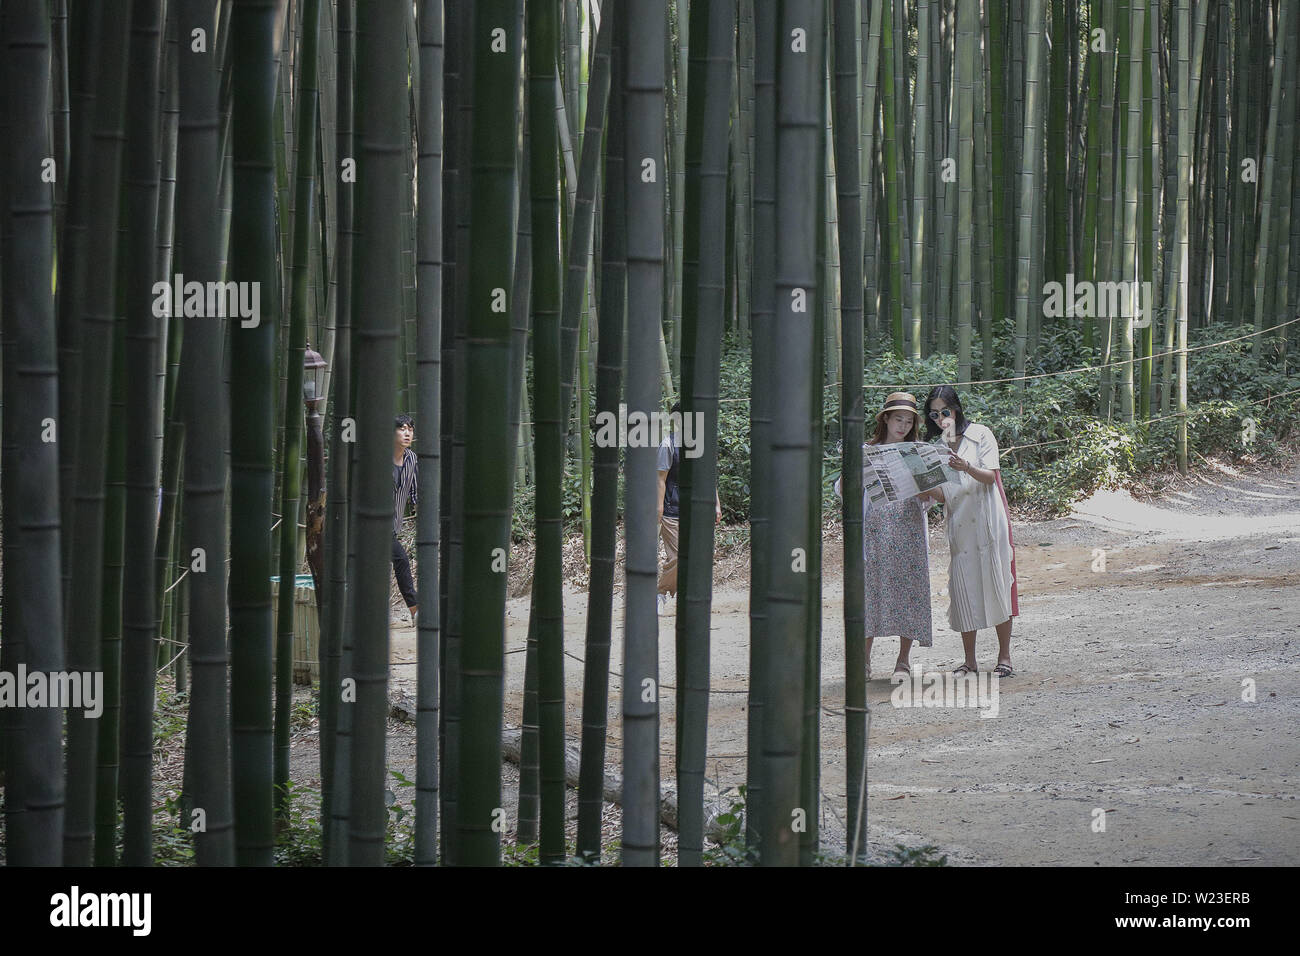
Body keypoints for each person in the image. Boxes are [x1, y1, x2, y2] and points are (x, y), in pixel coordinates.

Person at [834, 391, 934, 680]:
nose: (902, 426)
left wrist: (918, 484)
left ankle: (903, 659)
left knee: (910, 589)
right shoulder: (866, 449)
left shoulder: (916, 453)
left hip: (908, 526)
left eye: (908, 421)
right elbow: (844, 489)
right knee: (871, 590)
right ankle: (863, 660)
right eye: (898, 419)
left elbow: (937, 494)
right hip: (875, 527)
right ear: (886, 419)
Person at [921, 385, 1018, 677]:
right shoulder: (939, 447)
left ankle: (1004, 657)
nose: (941, 418)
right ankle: (970, 661)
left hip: (988, 518)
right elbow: (942, 495)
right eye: (934, 414)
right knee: (963, 588)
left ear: (957, 408)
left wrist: (966, 466)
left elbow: (990, 477)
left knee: (997, 581)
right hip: (959, 523)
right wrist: (921, 485)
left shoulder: (981, 435)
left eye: (945, 412)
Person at [656, 401, 720, 615]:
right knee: (677, 556)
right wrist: (658, 507)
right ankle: (661, 593)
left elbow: (708, 477)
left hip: (697, 509)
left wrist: (716, 504)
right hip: (672, 511)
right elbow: (661, 480)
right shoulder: (668, 444)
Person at [392, 414, 419, 626]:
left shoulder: (411, 459)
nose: (407, 432)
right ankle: (415, 609)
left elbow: (415, 493)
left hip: (393, 526)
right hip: (369, 526)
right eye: (402, 428)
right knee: (401, 559)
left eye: (410, 428)